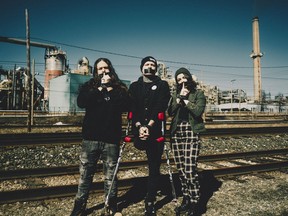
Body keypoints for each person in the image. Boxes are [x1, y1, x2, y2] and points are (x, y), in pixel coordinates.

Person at [71, 58, 129, 216]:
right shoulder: (90, 86)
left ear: (110, 69)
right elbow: (82, 102)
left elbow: (126, 105)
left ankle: (111, 206)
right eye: (100, 69)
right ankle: (79, 207)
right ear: (95, 71)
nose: (103, 71)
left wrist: (110, 90)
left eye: (106, 68)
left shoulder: (119, 89)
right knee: (85, 176)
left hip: (111, 140)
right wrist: (99, 88)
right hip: (90, 138)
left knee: (111, 176)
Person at [128, 56, 171, 215]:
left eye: (153, 65)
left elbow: (161, 105)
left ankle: (150, 200)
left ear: (156, 68)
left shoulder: (162, 85)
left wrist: (149, 126)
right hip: (138, 130)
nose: (150, 67)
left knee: (154, 166)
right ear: (141, 68)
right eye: (147, 64)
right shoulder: (134, 86)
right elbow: (133, 107)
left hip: (155, 132)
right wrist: (139, 126)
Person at [167, 68, 206, 216]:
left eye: (184, 77)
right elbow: (170, 112)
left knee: (190, 171)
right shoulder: (175, 95)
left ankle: (196, 202)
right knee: (182, 171)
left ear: (189, 78)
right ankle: (187, 199)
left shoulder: (198, 94)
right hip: (176, 133)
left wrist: (185, 100)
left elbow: (197, 112)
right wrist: (178, 100)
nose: (182, 80)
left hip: (191, 132)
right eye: (179, 79)